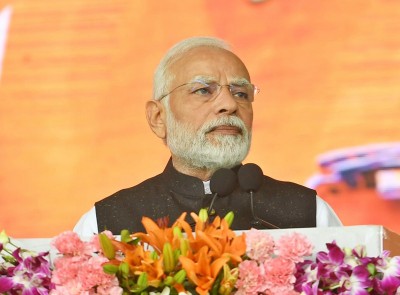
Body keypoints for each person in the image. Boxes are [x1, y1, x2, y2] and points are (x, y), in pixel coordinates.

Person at [74, 36, 342, 236]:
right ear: (158, 118)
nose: (229, 104)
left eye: (241, 93)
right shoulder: (105, 223)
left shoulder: (308, 213)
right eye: (203, 90)